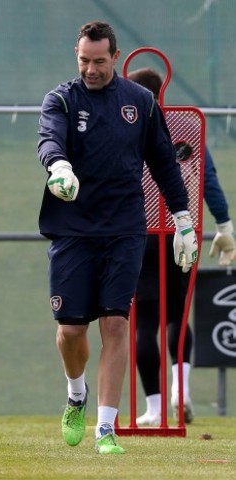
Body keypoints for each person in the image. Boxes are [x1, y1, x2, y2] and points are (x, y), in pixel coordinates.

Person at [37, 21, 198, 454]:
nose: (90, 69)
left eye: (100, 61)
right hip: (72, 229)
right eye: (84, 60)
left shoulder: (140, 102)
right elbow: (49, 138)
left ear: (115, 56)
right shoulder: (62, 99)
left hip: (125, 229)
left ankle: (105, 429)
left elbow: (164, 161)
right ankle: (76, 394)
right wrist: (58, 167)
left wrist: (183, 219)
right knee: (71, 331)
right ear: (77, 53)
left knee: (116, 323)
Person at [127, 67, 236, 426]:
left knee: (144, 323)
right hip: (181, 231)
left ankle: (155, 408)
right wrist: (225, 225)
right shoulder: (187, 127)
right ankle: (181, 391)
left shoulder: (125, 126)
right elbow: (209, 179)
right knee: (177, 314)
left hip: (139, 234)